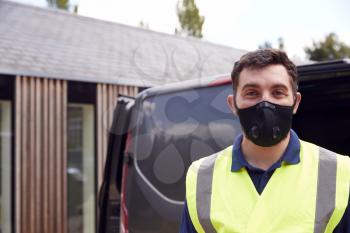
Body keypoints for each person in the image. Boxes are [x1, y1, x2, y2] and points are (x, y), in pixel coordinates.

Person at [180, 49, 350, 233]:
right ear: (233, 104)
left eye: (278, 92)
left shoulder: (339, 172)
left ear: (296, 102)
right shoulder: (202, 176)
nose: (265, 103)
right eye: (252, 93)